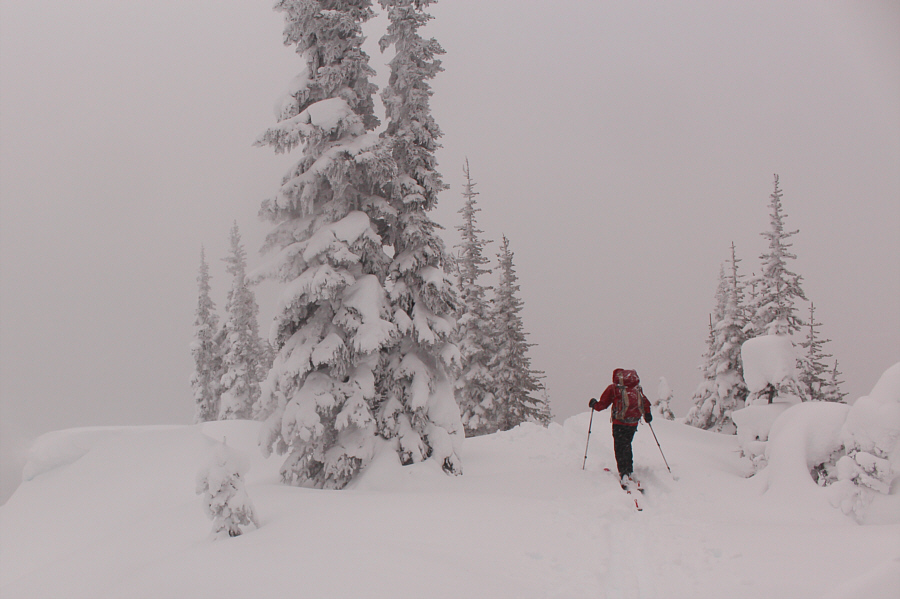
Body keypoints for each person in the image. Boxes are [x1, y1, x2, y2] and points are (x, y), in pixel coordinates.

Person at [588, 368, 652, 489]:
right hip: (633, 423)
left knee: (619, 446)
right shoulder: (636, 388)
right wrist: (647, 414)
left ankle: (624, 473)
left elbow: (602, 405)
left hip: (619, 423)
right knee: (627, 444)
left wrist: (594, 404)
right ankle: (629, 469)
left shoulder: (614, 388)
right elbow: (645, 402)